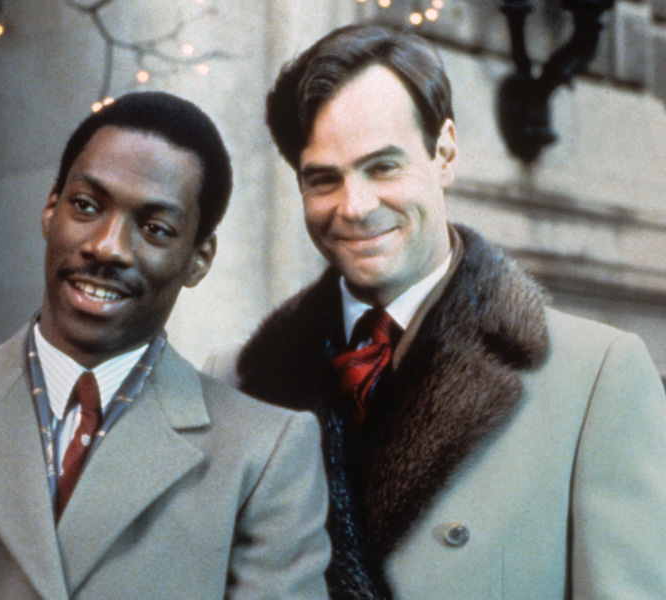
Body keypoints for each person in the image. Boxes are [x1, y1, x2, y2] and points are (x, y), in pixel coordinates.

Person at [207, 23, 666, 599]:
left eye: (383, 167)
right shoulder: (237, 382)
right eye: (323, 179)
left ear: (445, 153)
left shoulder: (594, 377)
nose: (356, 206)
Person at [0, 92, 331, 599]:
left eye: (155, 229)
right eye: (86, 206)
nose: (107, 247)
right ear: (50, 209)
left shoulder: (267, 454)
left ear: (198, 258)